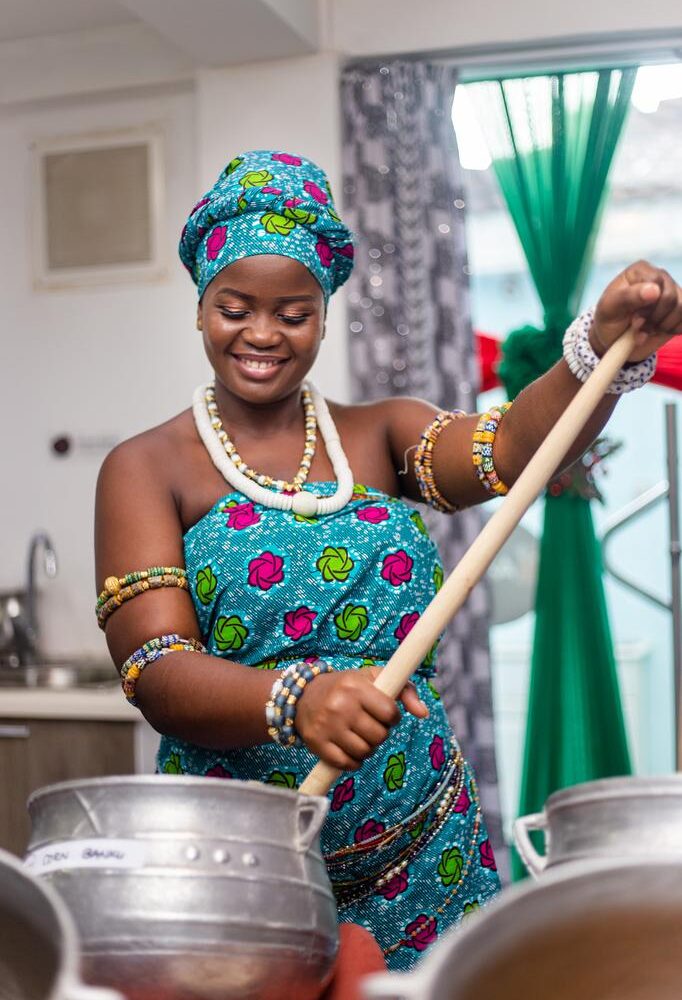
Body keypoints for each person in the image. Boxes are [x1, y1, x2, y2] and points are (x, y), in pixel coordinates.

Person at [95, 149, 682, 970]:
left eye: (293, 313)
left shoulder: (380, 433)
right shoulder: (145, 467)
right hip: (244, 866)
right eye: (235, 307)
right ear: (201, 305)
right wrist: (293, 698)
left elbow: (514, 450)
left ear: (325, 315)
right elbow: (155, 669)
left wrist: (601, 347)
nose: (262, 334)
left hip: (424, 854)